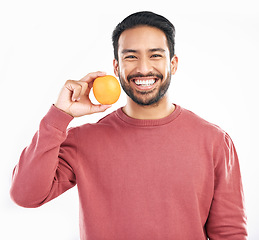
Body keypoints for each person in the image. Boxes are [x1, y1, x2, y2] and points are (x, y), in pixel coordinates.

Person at [10, 11, 248, 239]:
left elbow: (230, 233)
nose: (144, 68)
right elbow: (26, 195)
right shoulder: (85, 139)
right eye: (131, 56)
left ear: (173, 64)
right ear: (116, 67)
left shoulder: (215, 141)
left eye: (155, 55)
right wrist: (60, 114)